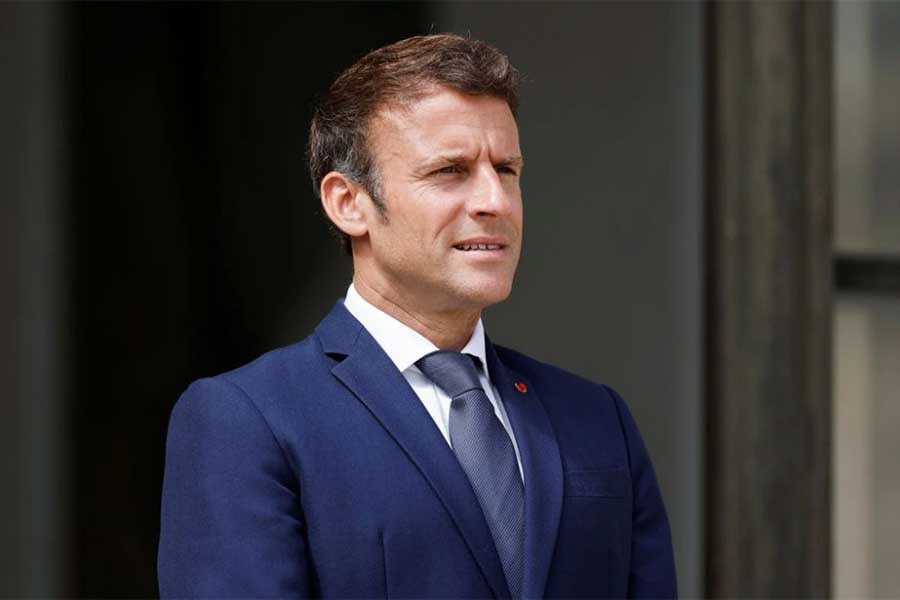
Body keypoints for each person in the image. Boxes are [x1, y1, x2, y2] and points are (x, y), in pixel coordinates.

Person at [158, 34, 676, 598]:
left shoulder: (597, 421)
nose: (494, 202)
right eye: (449, 171)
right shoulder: (248, 421)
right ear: (348, 202)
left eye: (506, 170)